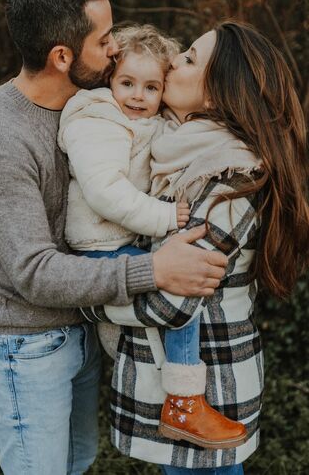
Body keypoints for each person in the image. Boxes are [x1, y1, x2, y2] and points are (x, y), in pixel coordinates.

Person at [0, 0, 229, 475]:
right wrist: (154, 271)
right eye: (104, 41)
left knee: (78, 463)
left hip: (81, 324)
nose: (115, 50)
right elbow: (34, 272)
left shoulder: (94, 104)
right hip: (28, 349)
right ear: (63, 56)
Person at [80, 21, 309, 473]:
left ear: (216, 94)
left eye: (189, 58)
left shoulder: (230, 177)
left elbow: (173, 300)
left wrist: (84, 301)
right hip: (176, 392)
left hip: (211, 392)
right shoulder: (179, 151)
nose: (173, 61)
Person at [58, 23, 247, 449]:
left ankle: (179, 398)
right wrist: (164, 217)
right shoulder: (101, 119)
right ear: (110, 81)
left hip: (123, 244)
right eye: (127, 83)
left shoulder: (152, 123)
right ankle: (183, 399)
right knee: (176, 284)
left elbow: (178, 137)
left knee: (174, 292)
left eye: (150, 87)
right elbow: (105, 192)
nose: (137, 96)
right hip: (98, 246)